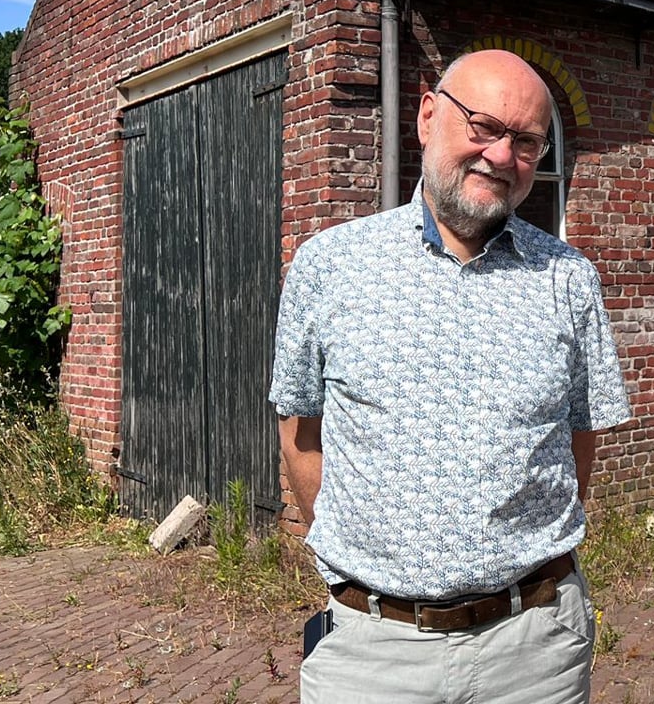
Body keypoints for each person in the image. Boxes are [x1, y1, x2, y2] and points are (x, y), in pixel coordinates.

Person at [270, 49, 631, 704]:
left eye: (526, 142)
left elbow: (578, 438)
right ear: (429, 115)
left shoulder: (568, 277)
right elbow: (299, 431)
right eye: (484, 127)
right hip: (372, 653)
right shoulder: (329, 266)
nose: (501, 156)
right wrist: (368, 558)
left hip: (535, 650)